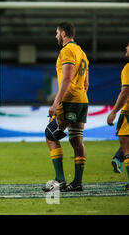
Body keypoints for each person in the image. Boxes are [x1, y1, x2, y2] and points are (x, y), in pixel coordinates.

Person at [43, 22, 89, 193]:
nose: (56, 36)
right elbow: (86, 83)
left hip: (69, 100)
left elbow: (67, 79)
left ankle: (60, 180)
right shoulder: (82, 52)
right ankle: (77, 183)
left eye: (57, 33)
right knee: (76, 140)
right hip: (82, 100)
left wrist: (56, 103)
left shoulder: (67, 50)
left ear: (63, 34)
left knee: (50, 135)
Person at [106, 42, 129, 191]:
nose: (126, 48)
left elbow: (125, 92)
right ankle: (117, 158)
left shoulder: (128, 68)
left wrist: (113, 112)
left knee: (126, 149)